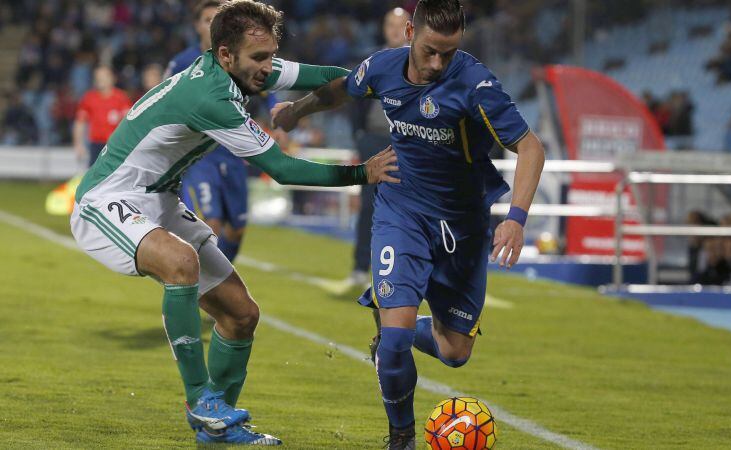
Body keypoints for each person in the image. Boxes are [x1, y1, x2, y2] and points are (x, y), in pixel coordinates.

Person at [69, 1, 398, 445]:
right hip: (108, 198)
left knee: (242, 315)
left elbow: (325, 76)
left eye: (270, 56)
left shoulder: (245, 64)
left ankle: (217, 429)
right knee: (181, 262)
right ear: (226, 55)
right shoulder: (211, 96)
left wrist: (373, 79)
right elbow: (283, 170)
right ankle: (199, 398)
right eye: (259, 59)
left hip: (160, 199)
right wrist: (361, 173)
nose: (268, 68)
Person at [272, 1, 545, 447]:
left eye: (449, 53)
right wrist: (296, 110)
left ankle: (399, 324)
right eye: (431, 50)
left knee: (455, 352)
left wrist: (516, 218)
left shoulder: (476, 84)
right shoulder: (382, 67)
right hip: (402, 212)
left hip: (463, 225)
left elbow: (531, 148)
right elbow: (342, 90)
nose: (438, 63)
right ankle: (401, 436)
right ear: (410, 31)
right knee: (395, 342)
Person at [167, 0, 277, 262]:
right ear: (197, 26)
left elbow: (266, 91)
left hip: (234, 154)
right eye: (207, 20)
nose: (211, 25)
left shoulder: (239, 58)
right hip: (200, 156)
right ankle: (199, 285)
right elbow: (166, 103)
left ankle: (219, 281)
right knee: (209, 223)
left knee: (236, 230)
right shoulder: (182, 62)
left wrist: (277, 118)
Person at [347, 7, 411, 287]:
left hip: (409, 142)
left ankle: (406, 269)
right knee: (369, 206)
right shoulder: (371, 61)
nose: (395, 30)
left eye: (400, 25)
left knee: (410, 207)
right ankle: (361, 267)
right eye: (390, 24)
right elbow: (354, 98)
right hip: (374, 140)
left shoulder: (422, 63)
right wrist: (359, 136)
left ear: (410, 28)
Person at [72, 66, 133, 166]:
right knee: (95, 176)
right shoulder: (89, 98)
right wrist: (78, 144)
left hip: (115, 145)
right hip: (96, 144)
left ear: (112, 78)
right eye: (97, 77)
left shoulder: (121, 98)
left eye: (103, 76)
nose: (100, 79)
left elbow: (129, 123)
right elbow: (80, 122)